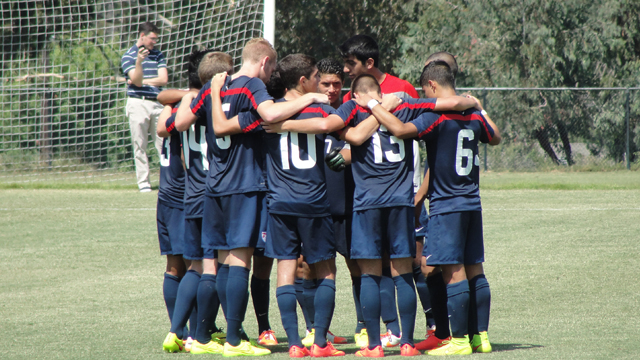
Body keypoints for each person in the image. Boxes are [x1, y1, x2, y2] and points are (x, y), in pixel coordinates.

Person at [263, 74, 478, 357]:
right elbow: (453, 102)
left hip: (366, 204)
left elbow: (337, 128)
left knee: (369, 275)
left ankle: (374, 346)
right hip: (401, 202)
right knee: (402, 272)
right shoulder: (405, 105)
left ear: (355, 96)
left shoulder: (352, 108)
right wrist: (471, 102)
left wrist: (281, 125)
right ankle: (407, 344)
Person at [176, 38, 328, 357]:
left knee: (217, 262)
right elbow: (269, 113)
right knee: (239, 261)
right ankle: (233, 340)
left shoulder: (217, 86)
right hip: (244, 184)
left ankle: (202, 335)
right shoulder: (251, 87)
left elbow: (179, 123)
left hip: (213, 185)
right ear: (264, 63)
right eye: (271, 66)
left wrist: (213, 96)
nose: (271, 73)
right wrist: (312, 97)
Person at [359, 60, 501, 355]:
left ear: (432, 86)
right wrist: (480, 107)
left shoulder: (436, 117)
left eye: (426, 90)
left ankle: (459, 340)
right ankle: (480, 337)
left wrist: (373, 104)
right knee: (476, 268)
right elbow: (496, 137)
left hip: (447, 205)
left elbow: (398, 129)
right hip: (472, 202)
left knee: (454, 271)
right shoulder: (474, 115)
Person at [158, 50, 231, 354]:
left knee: (192, 267)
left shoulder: (183, 104)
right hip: (210, 193)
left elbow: (165, 124)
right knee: (211, 266)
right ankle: (198, 334)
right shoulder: (217, 104)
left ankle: (179, 332)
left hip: (188, 192)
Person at [121, 22, 168, 192]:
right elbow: (137, 81)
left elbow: (163, 79)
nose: (154, 42)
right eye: (152, 38)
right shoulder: (128, 56)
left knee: (164, 144)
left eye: (156, 39)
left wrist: (141, 81)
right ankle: (144, 183)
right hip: (137, 103)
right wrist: (139, 63)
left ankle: (168, 180)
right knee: (139, 144)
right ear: (142, 36)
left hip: (156, 103)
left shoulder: (158, 55)